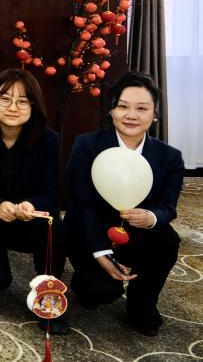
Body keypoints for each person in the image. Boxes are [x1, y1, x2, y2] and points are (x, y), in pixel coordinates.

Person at [65, 71, 184, 337]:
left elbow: (168, 206)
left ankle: (142, 304)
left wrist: (151, 217)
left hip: (137, 232)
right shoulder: (86, 145)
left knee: (167, 240)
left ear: (155, 114)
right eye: (123, 106)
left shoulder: (170, 157)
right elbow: (81, 203)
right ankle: (85, 281)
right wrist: (100, 252)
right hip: (91, 230)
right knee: (99, 292)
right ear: (112, 111)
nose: (131, 115)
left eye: (141, 108)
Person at [0, 68, 68, 335]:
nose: (12, 107)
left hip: (28, 220)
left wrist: (31, 204)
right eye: (5, 98)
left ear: (34, 105)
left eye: (22, 101)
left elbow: (51, 192)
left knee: (55, 226)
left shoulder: (49, 139)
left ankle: (49, 296)